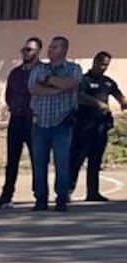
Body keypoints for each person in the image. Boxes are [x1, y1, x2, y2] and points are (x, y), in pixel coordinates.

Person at [29, 35, 83, 212]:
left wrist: (49, 81)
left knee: (62, 163)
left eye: (55, 47)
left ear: (64, 50)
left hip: (62, 123)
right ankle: (40, 199)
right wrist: (57, 89)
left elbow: (71, 83)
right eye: (50, 47)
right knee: (39, 163)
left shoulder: (73, 68)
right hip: (40, 122)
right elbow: (33, 88)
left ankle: (61, 198)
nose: (50, 50)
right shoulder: (39, 68)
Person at [70, 51, 124, 203]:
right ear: (95, 62)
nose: (103, 67)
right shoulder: (83, 80)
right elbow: (79, 97)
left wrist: (123, 102)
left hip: (100, 127)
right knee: (76, 160)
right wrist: (97, 103)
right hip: (83, 126)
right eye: (101, 64)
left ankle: (93, 192)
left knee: (95, 160)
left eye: (106, 65)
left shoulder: (108, 82)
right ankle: (67, 190)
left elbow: (118, 95)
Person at [0, 37, 42, 207]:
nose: (25, 53)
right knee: (12, 159)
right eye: (24, 49)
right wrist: (14, 107)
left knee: (37, 159)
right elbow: (9, 95)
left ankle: (40, 194)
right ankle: (7, 195)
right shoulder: (15, 73)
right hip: (16, 119)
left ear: (37, 51)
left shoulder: (43, 71)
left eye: (29, 50)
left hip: (34, 120)